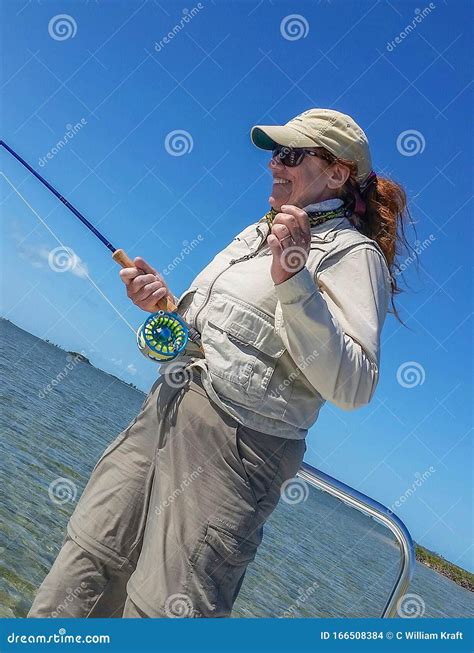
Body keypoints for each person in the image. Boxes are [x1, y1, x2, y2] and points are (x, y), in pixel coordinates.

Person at [28, 108, 411, 618]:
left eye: (292, 154)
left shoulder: (353, 254)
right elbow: (209, 341)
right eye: (275, 153)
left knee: (165, 611)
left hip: (235, 448)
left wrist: (294, 277)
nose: (275, 164)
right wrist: (162, 304)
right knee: (87, 565)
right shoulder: (253, 233)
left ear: (338, 174)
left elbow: (354, 386)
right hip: (162, 411)